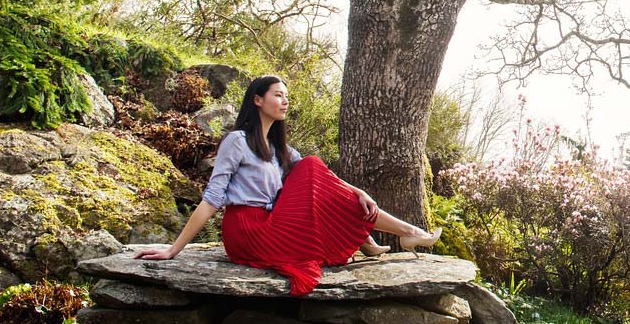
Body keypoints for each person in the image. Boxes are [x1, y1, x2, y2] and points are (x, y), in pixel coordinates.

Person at [135, 75, 441, 296]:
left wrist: (360, 191)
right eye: (278, 95)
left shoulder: (280, 149)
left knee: (311, 166)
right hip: (247, 229)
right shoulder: (237, 142)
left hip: (272, 222)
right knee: (311, 165)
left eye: (286, 96)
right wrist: (174, 250)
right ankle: (391, 237)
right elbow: (213, 197)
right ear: (258, 100)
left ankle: (406, 235)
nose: (285, 101)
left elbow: (326, 182)